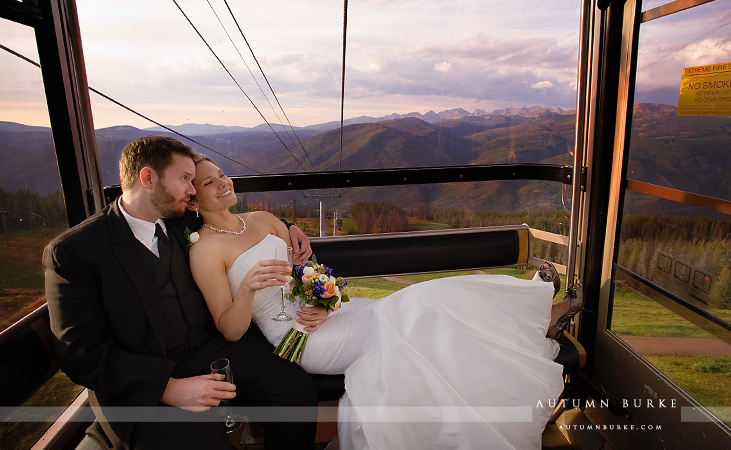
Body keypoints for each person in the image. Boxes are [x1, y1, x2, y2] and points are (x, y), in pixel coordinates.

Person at [187, 154, 583, 450]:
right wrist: (249, 288)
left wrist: (324, 301)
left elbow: (310, 273)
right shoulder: (206, 250)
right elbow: (231, 327)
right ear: (192, 199)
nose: (223, 183)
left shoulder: (264, 218)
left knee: (428, 303)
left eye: (221, 174)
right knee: (424, 308)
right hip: (300, 338)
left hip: (328, 316)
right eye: (209, 183)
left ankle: (534, 318)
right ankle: (538, 318)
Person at [43, 136, 325, 450]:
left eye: (193, 181)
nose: (192, 191)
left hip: (213, 349)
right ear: (148, 178)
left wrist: (290, 227)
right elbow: (80, 352)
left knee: (296, 391)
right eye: (184, 179)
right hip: (149, 374)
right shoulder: (74, 252)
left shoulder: (180, 219)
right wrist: (168, 388)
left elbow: (237, 225)